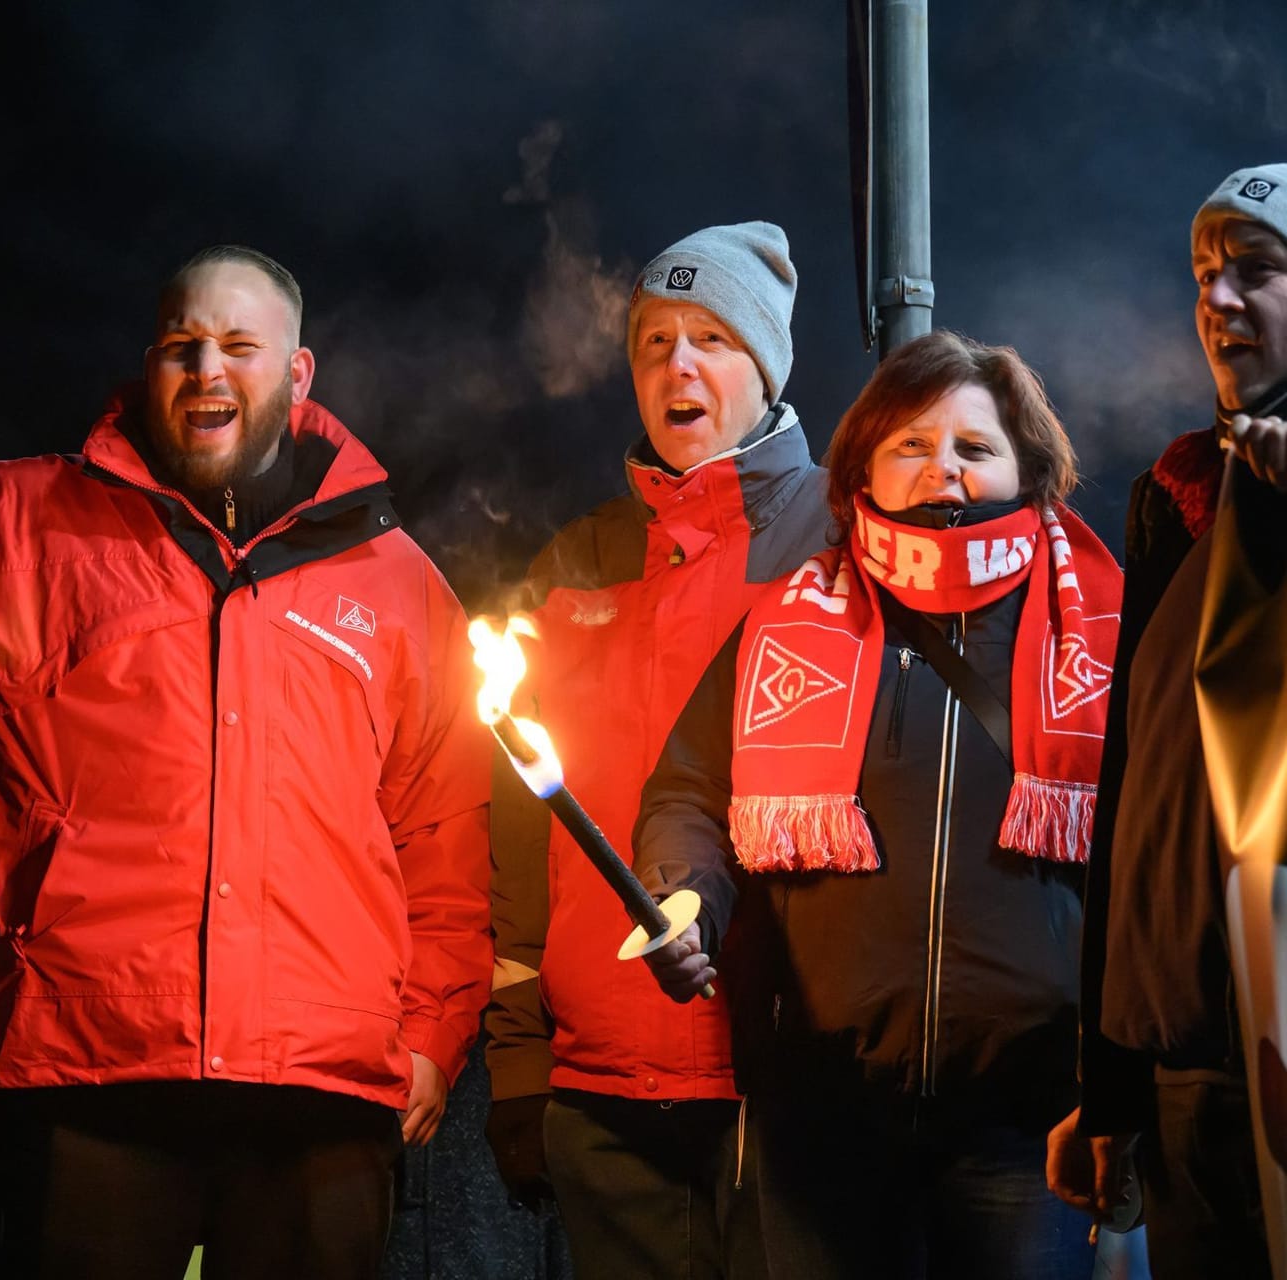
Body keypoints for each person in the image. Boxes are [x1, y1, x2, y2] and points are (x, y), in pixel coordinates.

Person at [0, 243, 491, 1278]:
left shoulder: (397, 585)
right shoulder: (20, 527)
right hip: (83, 1070)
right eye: (180, 344)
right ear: (148, 363)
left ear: (297, 375)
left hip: (321, 1087)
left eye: (240, 346)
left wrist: (431, 1027)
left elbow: (441, 833)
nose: (206, 368)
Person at [636, 330, 1122, 1279]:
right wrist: (685, 892)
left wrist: (1117, 1083)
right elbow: (689, 791)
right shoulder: (786, 620)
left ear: (1028, 466)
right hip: (824, 1122)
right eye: (912, 444)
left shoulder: (1103, 633)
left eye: (976, 448)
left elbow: (1154, 856)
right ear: (864, 464)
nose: (944, 468)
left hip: (1031, 1127)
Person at [485, 221, 826, 1277]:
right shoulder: (577, 558)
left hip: (788, 1090)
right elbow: (516, 832)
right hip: (605, 1089)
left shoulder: (840, 538)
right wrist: (518, 1058)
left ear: (765, 366)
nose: (678, 364)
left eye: (713, 338)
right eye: (654, 342)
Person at [1048, 161, 1287, 1279]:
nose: (1219, 301)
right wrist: (1112, 1088)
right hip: (1194, 1069)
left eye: (1259, 270)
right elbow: (1131, 803)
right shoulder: (1186, 496)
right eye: (1204, 274)